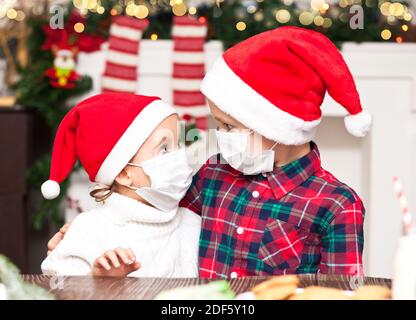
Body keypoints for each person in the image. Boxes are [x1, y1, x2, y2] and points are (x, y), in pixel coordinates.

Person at [48, 26, 371, 278]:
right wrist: (80, 242)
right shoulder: (213, 175)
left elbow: (340, 293)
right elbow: (152, 210)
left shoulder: (337, 205)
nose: (222, 137)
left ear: (276, 126)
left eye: (229, 126)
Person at [41, 93, 201, 277]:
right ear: (124, 174)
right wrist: (97, 281)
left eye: (178, 144)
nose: (178, 157)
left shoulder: (193, 222)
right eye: (164, 149)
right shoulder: (89, 229)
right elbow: (56, 288)